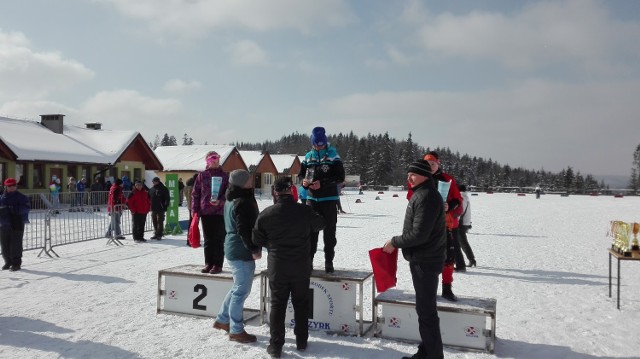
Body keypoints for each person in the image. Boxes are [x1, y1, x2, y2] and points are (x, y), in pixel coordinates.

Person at [252, 176, 325, 358]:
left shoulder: (267, 213)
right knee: (301, 303)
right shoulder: (304, 211)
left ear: (275, 192)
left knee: (278, 304)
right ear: (291, 190)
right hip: (301, 265)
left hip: (278, 266)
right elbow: (320, 224)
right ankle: (301, 340)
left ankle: (276, 346)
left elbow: (256, 239)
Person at [383, 160, 446, 359]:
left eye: (413, 174)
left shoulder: (426, 196)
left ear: (425, 175)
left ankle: (433, 356)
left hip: (425, 261)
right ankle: (426, 352)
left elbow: (419, 234)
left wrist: (394, 241)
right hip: (424, 259)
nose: (409, 178)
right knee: (424, 310)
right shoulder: (423, 193)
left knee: (426, 312)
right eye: (408, 174)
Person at [212, 170, 261, 344]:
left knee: (237, 287)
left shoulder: (233, 197)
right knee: (241, 290)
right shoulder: (242, 201)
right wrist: (254, 248)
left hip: (233, 246)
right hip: (240, 249)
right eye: (249, 178)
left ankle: (223, 319)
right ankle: (236, 330)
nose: (252, 180)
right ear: (242, 182)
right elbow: (244, 229)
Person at [298, 126, 345, 273]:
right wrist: (304, 183)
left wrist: (323, 184)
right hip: (312, 200)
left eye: (321, 144)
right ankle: (309, 261)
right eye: (316, 144)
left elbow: (340, 177)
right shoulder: (307, 157)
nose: (319, 147)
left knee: (329, 233)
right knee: (311, 232)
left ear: (325, 143)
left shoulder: (333, 156)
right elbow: (301, 175)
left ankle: (328, 261)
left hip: (329, 199)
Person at [423, 151, 464, 300]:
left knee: (448, 258)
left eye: (432, 164)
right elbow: (410, 197)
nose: (430, 167)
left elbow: (458, 200)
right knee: (426, 258)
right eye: (427, 164)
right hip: (425, 225)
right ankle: (427, 289)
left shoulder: (447, 179)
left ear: (437, 164)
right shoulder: (419, 179)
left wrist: (449, 206)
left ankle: (447, 288)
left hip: (445, 225)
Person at [192, 151, 229, 274]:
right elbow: (195, 194)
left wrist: (221, 201)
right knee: (208, 240)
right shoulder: (202, 176)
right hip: (206, 211)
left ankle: (218, 264)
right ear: (207, 161)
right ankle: (208, 263)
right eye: (212, 160)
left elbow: (229, 194)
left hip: (219, 212)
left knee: (219, 239)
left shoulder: (225, 176)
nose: (215, 161)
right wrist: (195, 210)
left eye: (217, 159)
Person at [0, 178, 31, 271]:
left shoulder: (21, 197)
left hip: (17, 222)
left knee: (16, 244)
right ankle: (7, 261)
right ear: (6, 186)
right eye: (9, 185)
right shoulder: (2, 197)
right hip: (4, 224)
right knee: (4, 244)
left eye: (14, 185)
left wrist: (14, 209)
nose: (12, 187)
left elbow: (26, 207)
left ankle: (16, 263)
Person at [457, 184, 476, 267]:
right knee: (459, 242)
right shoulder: (465, 196)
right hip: (465, 222)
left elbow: (461, 210)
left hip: (461, 223)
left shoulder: (462, 197)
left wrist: (456, 220)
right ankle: (469, 259)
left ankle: (471, 259)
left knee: (462, 242)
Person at [185, 173, 199, 247]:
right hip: (195, 207)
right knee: (193, 225)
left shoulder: (187, 187)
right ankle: (192, 240)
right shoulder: (194, 187)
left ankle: (189, 239)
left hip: (190, 207)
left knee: (191, 224)